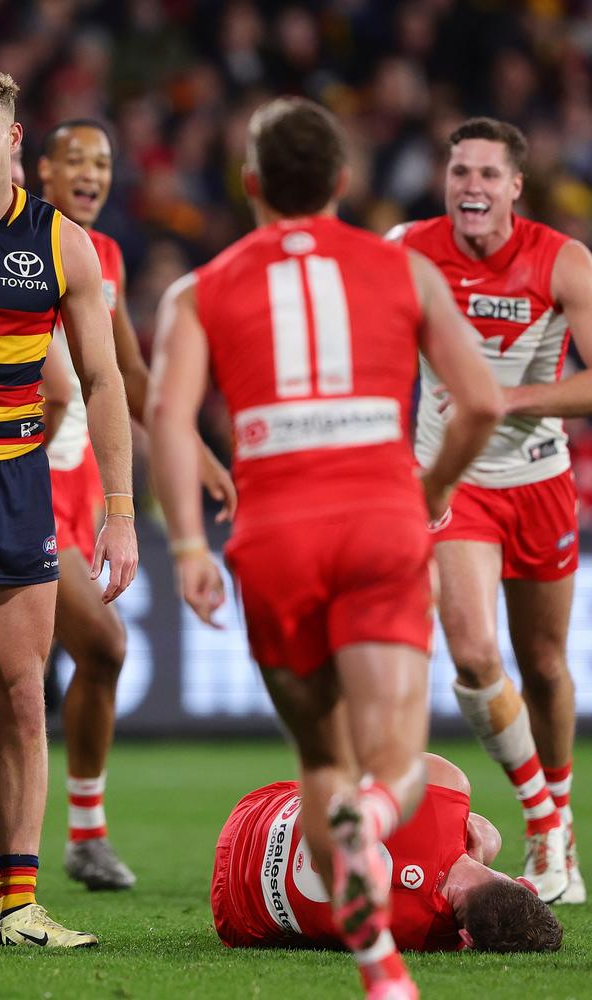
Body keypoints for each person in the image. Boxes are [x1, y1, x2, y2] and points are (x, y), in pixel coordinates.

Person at [147, 96, 502, 1000]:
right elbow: (484, 404)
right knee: (393, 761)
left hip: (271, 538)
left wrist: (189, 543)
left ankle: (380, 964)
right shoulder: (405, 272)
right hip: (380, 524)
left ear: (252, 184)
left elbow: (166, 414)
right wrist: (430, 489)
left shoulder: (203, 287)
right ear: (344, 182)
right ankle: (371, 818)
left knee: (319, 754)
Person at [0, 64, 137, 947]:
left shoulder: (62, 245)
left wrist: (121, 510)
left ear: (15, 140)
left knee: (22, 697)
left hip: (17, 484)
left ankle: (18, 906)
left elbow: (101, 380)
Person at [393, 117, 592, 905]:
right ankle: (545, 824)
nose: (470, 187)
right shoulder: (406, 246)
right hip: (452, 480)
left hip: (539, 478)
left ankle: (559, 822)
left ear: (516, 187)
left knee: (543, 666)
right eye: (460, 172)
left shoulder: (562, 260)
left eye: (487, 175)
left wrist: (509, 399)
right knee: (474, 654)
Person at [37, 119, 236, 890]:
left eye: (104, 162)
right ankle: (65, 835)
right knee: (93, 652)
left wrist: (192, 447)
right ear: (41, 170)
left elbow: (130, 375)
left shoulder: (106, 256)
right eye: (76, 160)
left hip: (83, 494)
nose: (92, 173)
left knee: (24, 679)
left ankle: (3, 837)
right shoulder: (20, 242)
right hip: (21, 485)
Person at [211, 753, 563, 954]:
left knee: (485, 832)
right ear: (467, 938)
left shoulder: (448, 784)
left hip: (256, 815)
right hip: (235, 911)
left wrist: (467, 838)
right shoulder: (428, 939)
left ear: (525, 884)